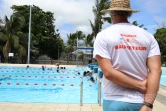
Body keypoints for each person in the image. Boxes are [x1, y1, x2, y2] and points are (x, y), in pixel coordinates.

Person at [93, 0, 162, 111]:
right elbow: (156, 71)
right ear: (129, 13)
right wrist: (148, 104)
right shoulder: (147, 36)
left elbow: (109, 73)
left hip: (114, 101)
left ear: (111, 13)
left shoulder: (103, 36)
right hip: (140, 102)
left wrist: (139, 86)